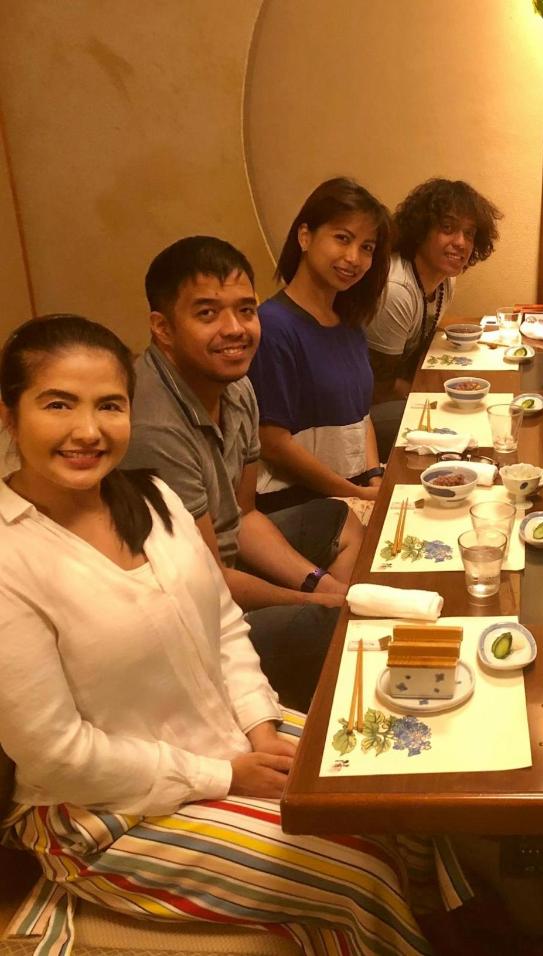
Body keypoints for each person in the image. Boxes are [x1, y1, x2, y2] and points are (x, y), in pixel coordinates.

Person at [0, 315, 470, 955]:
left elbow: (222, 624)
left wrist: (260, 728)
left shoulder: (154, 499)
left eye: (109, 405)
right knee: (359, 875)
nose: (88, 430)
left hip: (230, 738)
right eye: (58, 404)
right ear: (9, 414)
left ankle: (445, 933)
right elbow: (57, 753)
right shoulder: (11, 557)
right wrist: (224, 773)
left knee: (400, 787)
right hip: (103, 814)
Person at [123, 236, 361, 708]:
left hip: (223, 564)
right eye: (207, 313)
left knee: (341, 521)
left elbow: (244, 516)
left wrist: (323, 584)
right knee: (333, 629)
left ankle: (299, 686)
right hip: (184, 609)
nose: (235, 329)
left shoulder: (237, 386)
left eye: (246, 310)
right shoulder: (153, 424)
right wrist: (318, 604)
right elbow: (208, 581)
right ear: (163, 328)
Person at [248, 177, 390, 513]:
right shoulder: (274, 325)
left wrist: (374, 476)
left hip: (351, 489)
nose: (354, 258)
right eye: (343, 238)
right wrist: (353, 493)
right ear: (305, 236)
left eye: (367, 247)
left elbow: (361, 415)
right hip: (299, 503)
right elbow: (273, 443)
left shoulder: (349, 322)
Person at [365, 178, 502, 456]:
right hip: (363, 413)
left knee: (480, 403)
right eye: (448, 228)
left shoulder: (444, 281)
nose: (461, 243)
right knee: (465, 418)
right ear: (421, 229)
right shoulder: (396, 289)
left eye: (470, 233)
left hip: (392, 393)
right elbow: (378, 388)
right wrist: (440, 395)